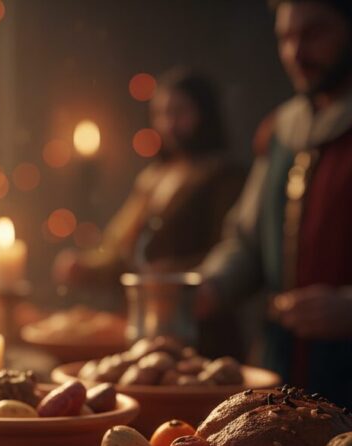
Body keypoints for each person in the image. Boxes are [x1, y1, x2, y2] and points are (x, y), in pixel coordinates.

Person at [199, 0, 352, 405]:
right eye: (286, 37)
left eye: (314, 33)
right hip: (282, 376)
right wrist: (208, 286)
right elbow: (247, 242)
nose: (296, 53)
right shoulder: (284, 130)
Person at [53, 69, 247, 357]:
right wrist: (87, 266)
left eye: (179, 112)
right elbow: (121, 246)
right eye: (161, 114)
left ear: (204, 113)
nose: (169, 124)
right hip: (146, 321)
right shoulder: (153, 177)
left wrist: (173, 274)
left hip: (200, 325)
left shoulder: (224, 176)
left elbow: (233, 249)